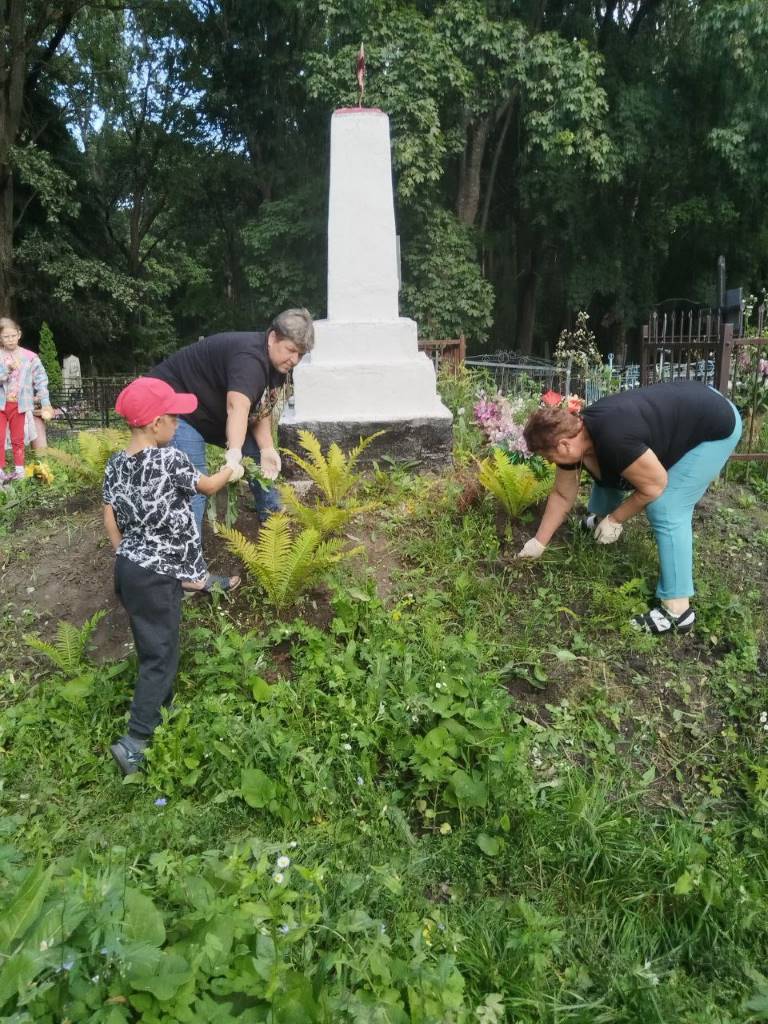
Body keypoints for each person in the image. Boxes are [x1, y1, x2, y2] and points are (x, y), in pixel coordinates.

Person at [517, 381, 742, 635]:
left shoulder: (614, 438)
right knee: (606, 461)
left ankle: (678, 612)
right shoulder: (577, 434)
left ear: (563, 445)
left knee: (666, 507)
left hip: (715, 423)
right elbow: (561, 494)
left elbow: (655, 485)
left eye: (549, 457)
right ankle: (598, 522)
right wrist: (539, 542)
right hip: (691, 403)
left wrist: (616, 519)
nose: (550, 463)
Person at [104, 377, 243, 775]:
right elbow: (208, 486)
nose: (179, 424)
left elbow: (109, 516)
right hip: (157, 575)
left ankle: (162, 709)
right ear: (155, 424)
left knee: (154, 643)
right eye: (175, 418)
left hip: (130, 569)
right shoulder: (171, 460)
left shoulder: (115, 463)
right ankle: (135, 742)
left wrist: (125, 552)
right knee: (160, 655)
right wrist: (231, 468)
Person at [148, 308, 314, 545]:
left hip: (206, 409)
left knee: (257, 457)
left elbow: (260, 407)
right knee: (194, 484)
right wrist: (234, 453)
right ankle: (188, 562)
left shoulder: (278, 364)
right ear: (273, 337)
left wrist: (267, 448)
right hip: (175, 407)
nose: (295, 360)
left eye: (301, 354)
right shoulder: (250, 360)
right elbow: (237, 408)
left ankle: (274, 522)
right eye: (291, 350)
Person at [0, 317, 54, 482]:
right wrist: (7, 370)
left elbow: (41, 381)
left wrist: (46, 404)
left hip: (20, 405)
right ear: (0, 338)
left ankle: (19, 471)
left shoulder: (30, 357)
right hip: (1, 405)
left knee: (18, 438)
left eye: (13, 335)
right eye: (6, 337)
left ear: (19, 334)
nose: (10, 339)